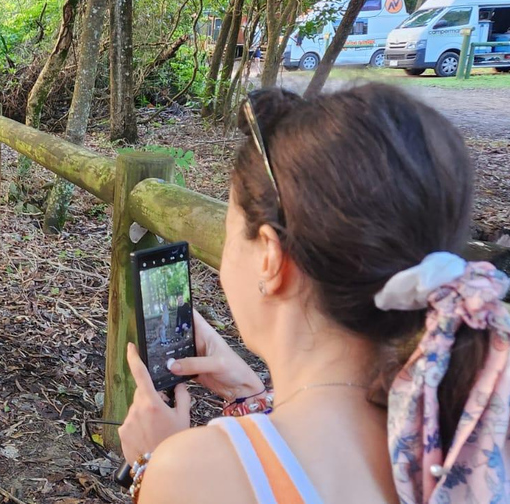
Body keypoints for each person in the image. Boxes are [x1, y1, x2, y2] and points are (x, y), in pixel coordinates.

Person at [118, 84, 510, 503]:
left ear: (270, 257)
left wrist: (149, 465)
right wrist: (251, 398)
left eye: (230, 233)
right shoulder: (460, 432)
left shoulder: (198, 473)